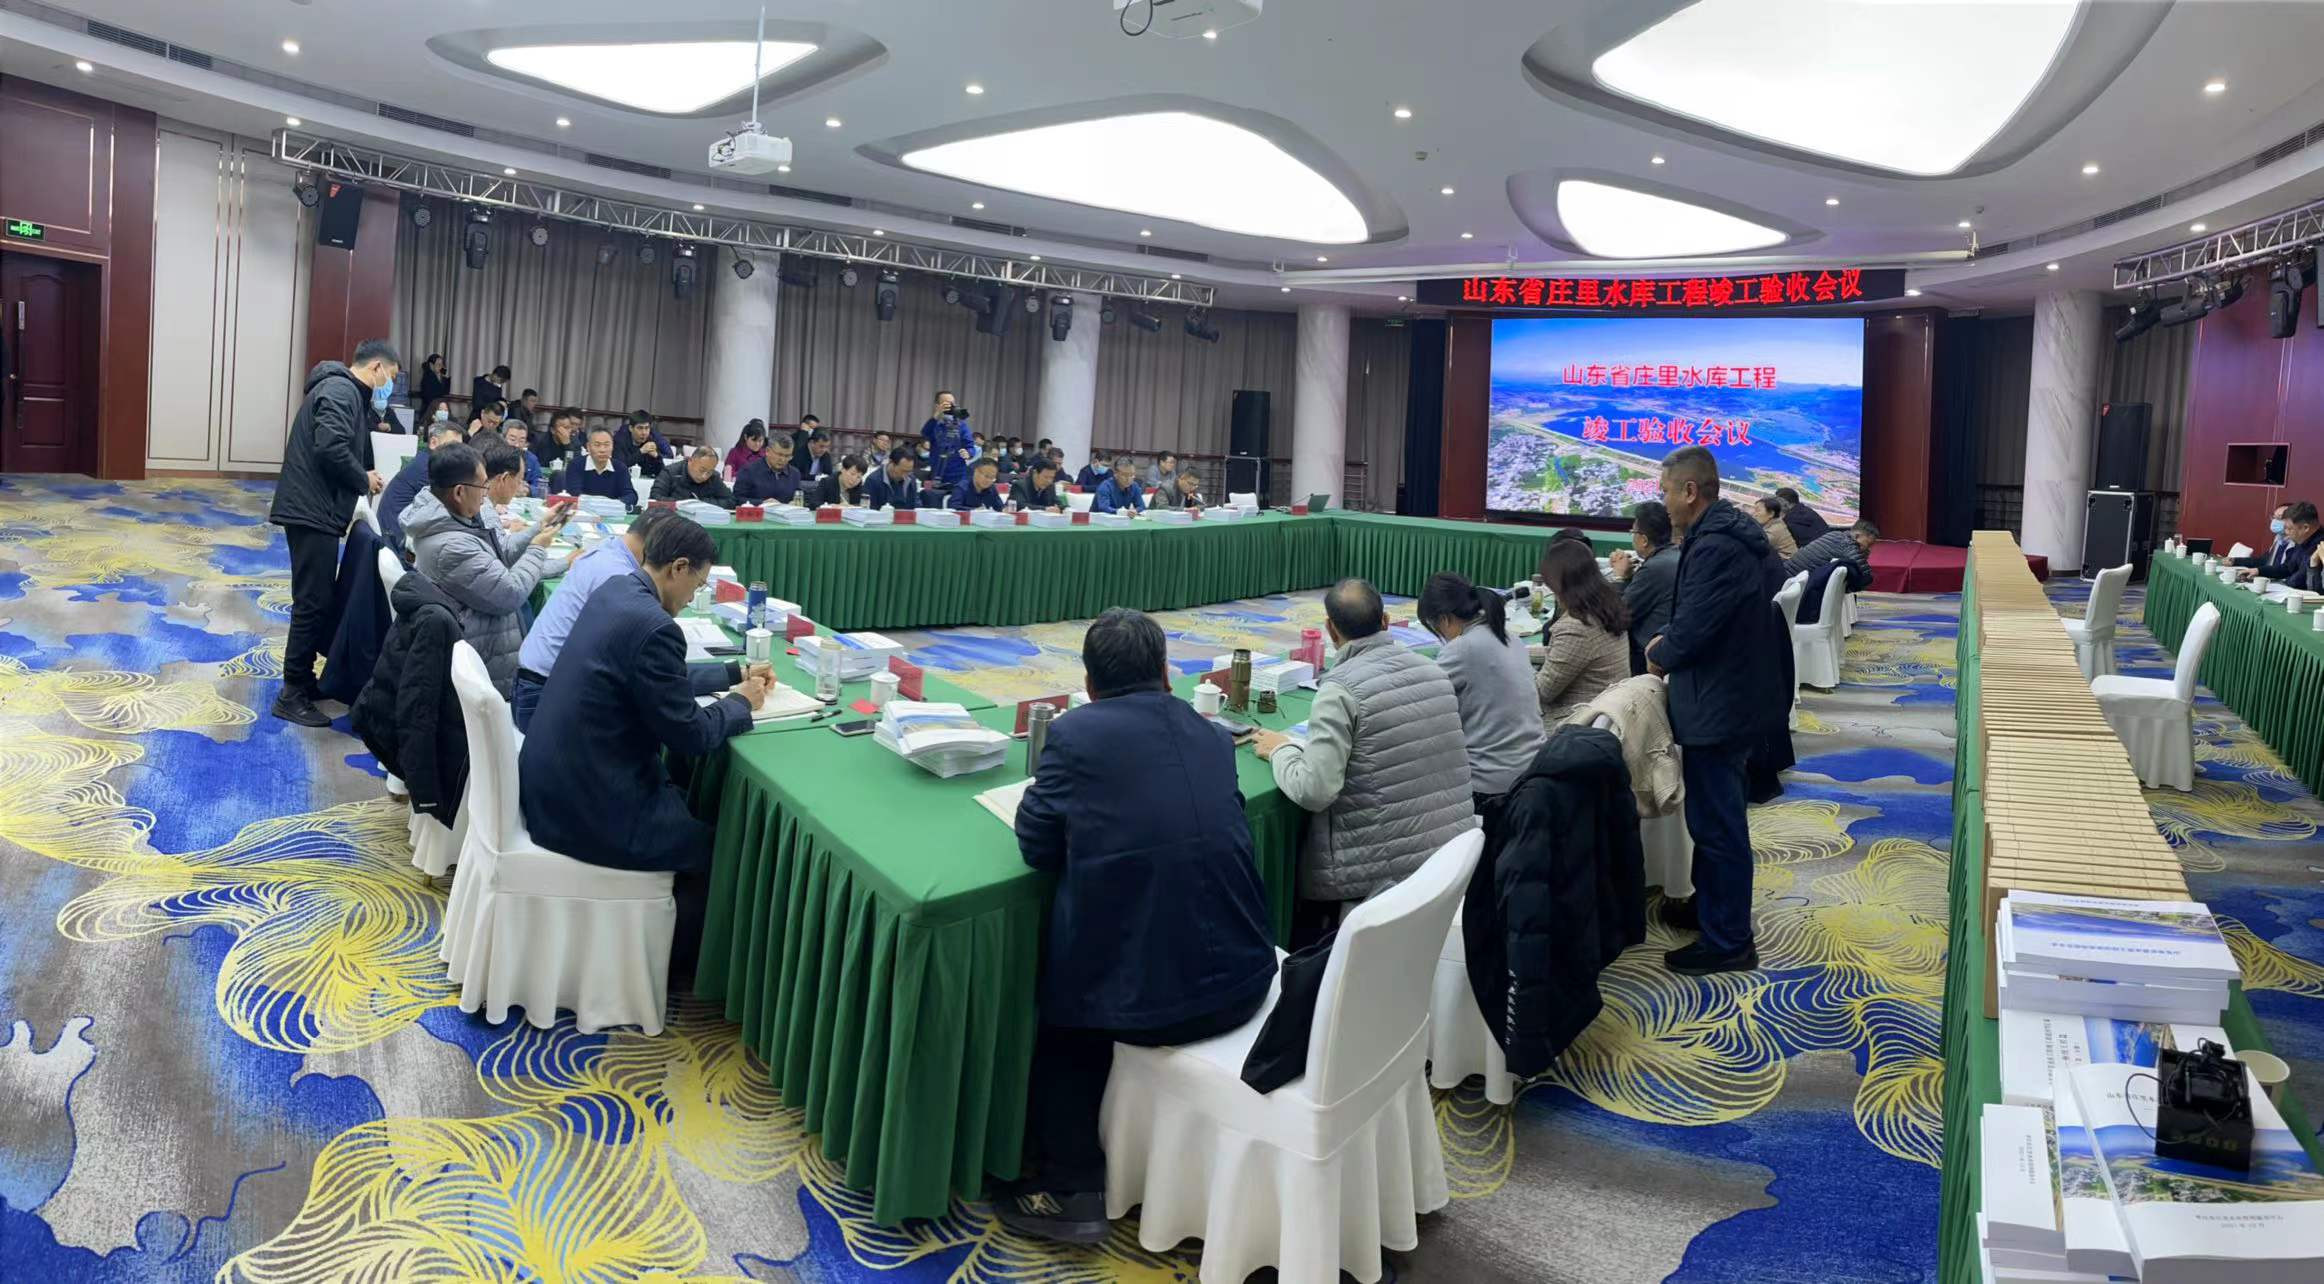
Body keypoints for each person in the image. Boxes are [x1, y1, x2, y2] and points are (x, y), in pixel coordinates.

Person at [1000, 608, 1277, 1243]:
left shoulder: (1074, 735)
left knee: (1064, 1022)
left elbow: (1037, 847)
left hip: (1158, 1008)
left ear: (1089, 684)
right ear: (1166, 673)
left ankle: (1070, 1188)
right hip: (1251, 974)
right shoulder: (1211, 732)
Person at [518, 515, 772, 984]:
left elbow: (652, 678)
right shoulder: (655, 626)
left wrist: (731, 674)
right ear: (678, 567)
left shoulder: (618, 591)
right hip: (587, 808)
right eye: (697, 584)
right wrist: (739, 704)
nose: (693, 596)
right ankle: (667, 974)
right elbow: (690, 735)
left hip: (553, 783)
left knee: (686, 805)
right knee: (719, 847)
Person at [1253, 579, 1474, 940]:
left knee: (1302, 922)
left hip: (1376, 875)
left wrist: (1281, 750)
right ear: (1386, 621)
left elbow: (1315, 791)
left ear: (1330, 630)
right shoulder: (1435, 671)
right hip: (1449, 859)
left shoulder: (1340, 689)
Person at [1645, 445, 1787, 976]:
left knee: (1718, 825)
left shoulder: (1718, 546)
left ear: (1690, 492)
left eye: (1665, 491)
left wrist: (1661, 650)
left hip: (1720, 705)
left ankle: (1729, 941)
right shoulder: (1724, 536)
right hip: (1727, 696)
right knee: (1711, 819)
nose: (1662, 502)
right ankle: (1710, 910)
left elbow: (1696, 629)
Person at [268, 339, 394, 727]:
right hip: (311, 510)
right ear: (376, 368)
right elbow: (330, 447)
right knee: (311, 602)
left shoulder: (344, 390)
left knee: (317, 599)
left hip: (315, 508)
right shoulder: (341, 389)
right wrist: (363, 478)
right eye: (391, 376)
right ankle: (291, 693)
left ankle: (303, 678)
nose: (389, 385)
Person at [400, 442, 565, 696]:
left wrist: (537, 529)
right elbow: (511, 593)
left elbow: (500, 553)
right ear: (459, 492)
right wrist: (537, 548)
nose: (486, 495)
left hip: (480, 634)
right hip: (484, 655)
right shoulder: (452, 546)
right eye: (481, 487)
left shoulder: (446, 516)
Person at [513, 507, 672, 730]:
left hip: (533, 684)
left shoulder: (609, 548)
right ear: (657, 547)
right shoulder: (618, 575)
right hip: (543, 695)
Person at [1419, 573, 1546, 851]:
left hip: (1490, 786)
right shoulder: (1509, 637)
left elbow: (1422, 704)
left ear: (1444, 619)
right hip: (1532, 772)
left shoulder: (1462, 649)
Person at [1535, 538, 1630, 726]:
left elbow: (1542, 691)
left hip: (1570, 723)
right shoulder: (1606, 608)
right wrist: (1521, 653)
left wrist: (1513, 672)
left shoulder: (1576, 627)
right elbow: (1567, 655)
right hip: (1603, 715)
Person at [1611, 501, 1680, 676]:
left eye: (1633, 532)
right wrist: (1629, 577)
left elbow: (1618, 617)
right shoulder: (1675, 555)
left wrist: (1619, 577)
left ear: (1643, 540)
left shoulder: (1655, 568)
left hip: (1646, 659)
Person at [380, 420, 465, 550]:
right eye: (452, 447)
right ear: (433, 443)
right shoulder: (427, 469)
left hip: (399, 533)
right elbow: (447, 511)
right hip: (397, 542)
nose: (458, 454)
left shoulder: (426, 461)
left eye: (460, 448)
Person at [2234, 501, 2324, 587]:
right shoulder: (2302, 538)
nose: (2286, 532)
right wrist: (2258, 571)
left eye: (2289, 528)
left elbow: (2300, 580)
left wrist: (2284, 584)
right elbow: (2288, 568)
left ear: (2305, 528)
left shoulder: (2320, 544)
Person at [1783, 518, 1878, 581]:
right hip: (1791, 583)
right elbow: (1866, 577)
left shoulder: (1834, 534)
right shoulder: (1849, 545)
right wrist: (1863, 557)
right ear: (1857, 536)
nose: (1868, 549)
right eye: (1868, 544)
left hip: (1785, 573)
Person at [566, 427, 635, 509]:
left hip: (610, 511)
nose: (602, 450)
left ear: (613, 446)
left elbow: (631, 496)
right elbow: (574, 494)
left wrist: (613, 504)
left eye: (607, 445)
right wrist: (600, 503)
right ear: (588, 447)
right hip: (583, 512)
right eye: (597, 445)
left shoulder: (620, 467)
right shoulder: (576, 465)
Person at [652, 446, 738, 508]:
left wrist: (702, 503)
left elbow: (731, 501)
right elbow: (655, 497)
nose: (704, 476)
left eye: (709, 472)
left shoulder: (714, 477)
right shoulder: (670, 472)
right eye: (702, 470)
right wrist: (683, 503)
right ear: (690, 461)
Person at [733, 433, 803, 505]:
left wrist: (795, 503)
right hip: (759, 511)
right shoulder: (748, 471)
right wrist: (762, 503)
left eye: (787, 456)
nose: (783, 460)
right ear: (767, 451)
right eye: (779, 455)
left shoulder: (794, 474)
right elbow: (737, 499)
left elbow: (800, 497)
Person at [921, 391, 971, 489]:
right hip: (938, 473)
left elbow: (969, 445)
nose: (951, 406)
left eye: (952, 403)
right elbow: (925, 433)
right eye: (946, 404)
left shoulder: (961, 425)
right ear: (937, 406)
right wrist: (936, 415)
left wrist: (968, 453)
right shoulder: (935, 424)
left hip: (958, 475)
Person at [2234, 503, 2297, 570]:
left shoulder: (2297, 543)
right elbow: (2263, 560)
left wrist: (2258, 571)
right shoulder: (2278, 538)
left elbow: (2286, 569)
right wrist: (2234, 561)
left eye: (2279, 518)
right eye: (2274, 517)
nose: (2274, 521)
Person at [613, 412, 670, 478]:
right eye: (640, 428)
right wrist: (641, 452)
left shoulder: (650, 440)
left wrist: (656, 456)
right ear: (631, 428)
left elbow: (660, 472)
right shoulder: (619, 441)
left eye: (647, 428)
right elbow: (619, 467)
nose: (644, 433)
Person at [865, 445, 921, 509]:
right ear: (891, 462)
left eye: (909, 471)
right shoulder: (873, 481)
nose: (905, 476)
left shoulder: (911, 479)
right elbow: (869, 510)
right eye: (903, 471)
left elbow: (916, 506)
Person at [501, 421, 547, 498]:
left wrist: (528, 490)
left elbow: (542, 488)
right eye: (512, 439)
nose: (517, 445)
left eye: (521, 441)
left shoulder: (531, 459)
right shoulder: (493, 455)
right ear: (502, 438)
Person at [534, 411, 583, 481]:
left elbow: (576, 466)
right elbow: (534, 465)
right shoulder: (540, 441)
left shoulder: (575, 443)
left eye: (569, 427)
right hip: (541, 479)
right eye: (564, 428)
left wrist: (568, 445)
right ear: (553, 430)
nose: (567, 431)